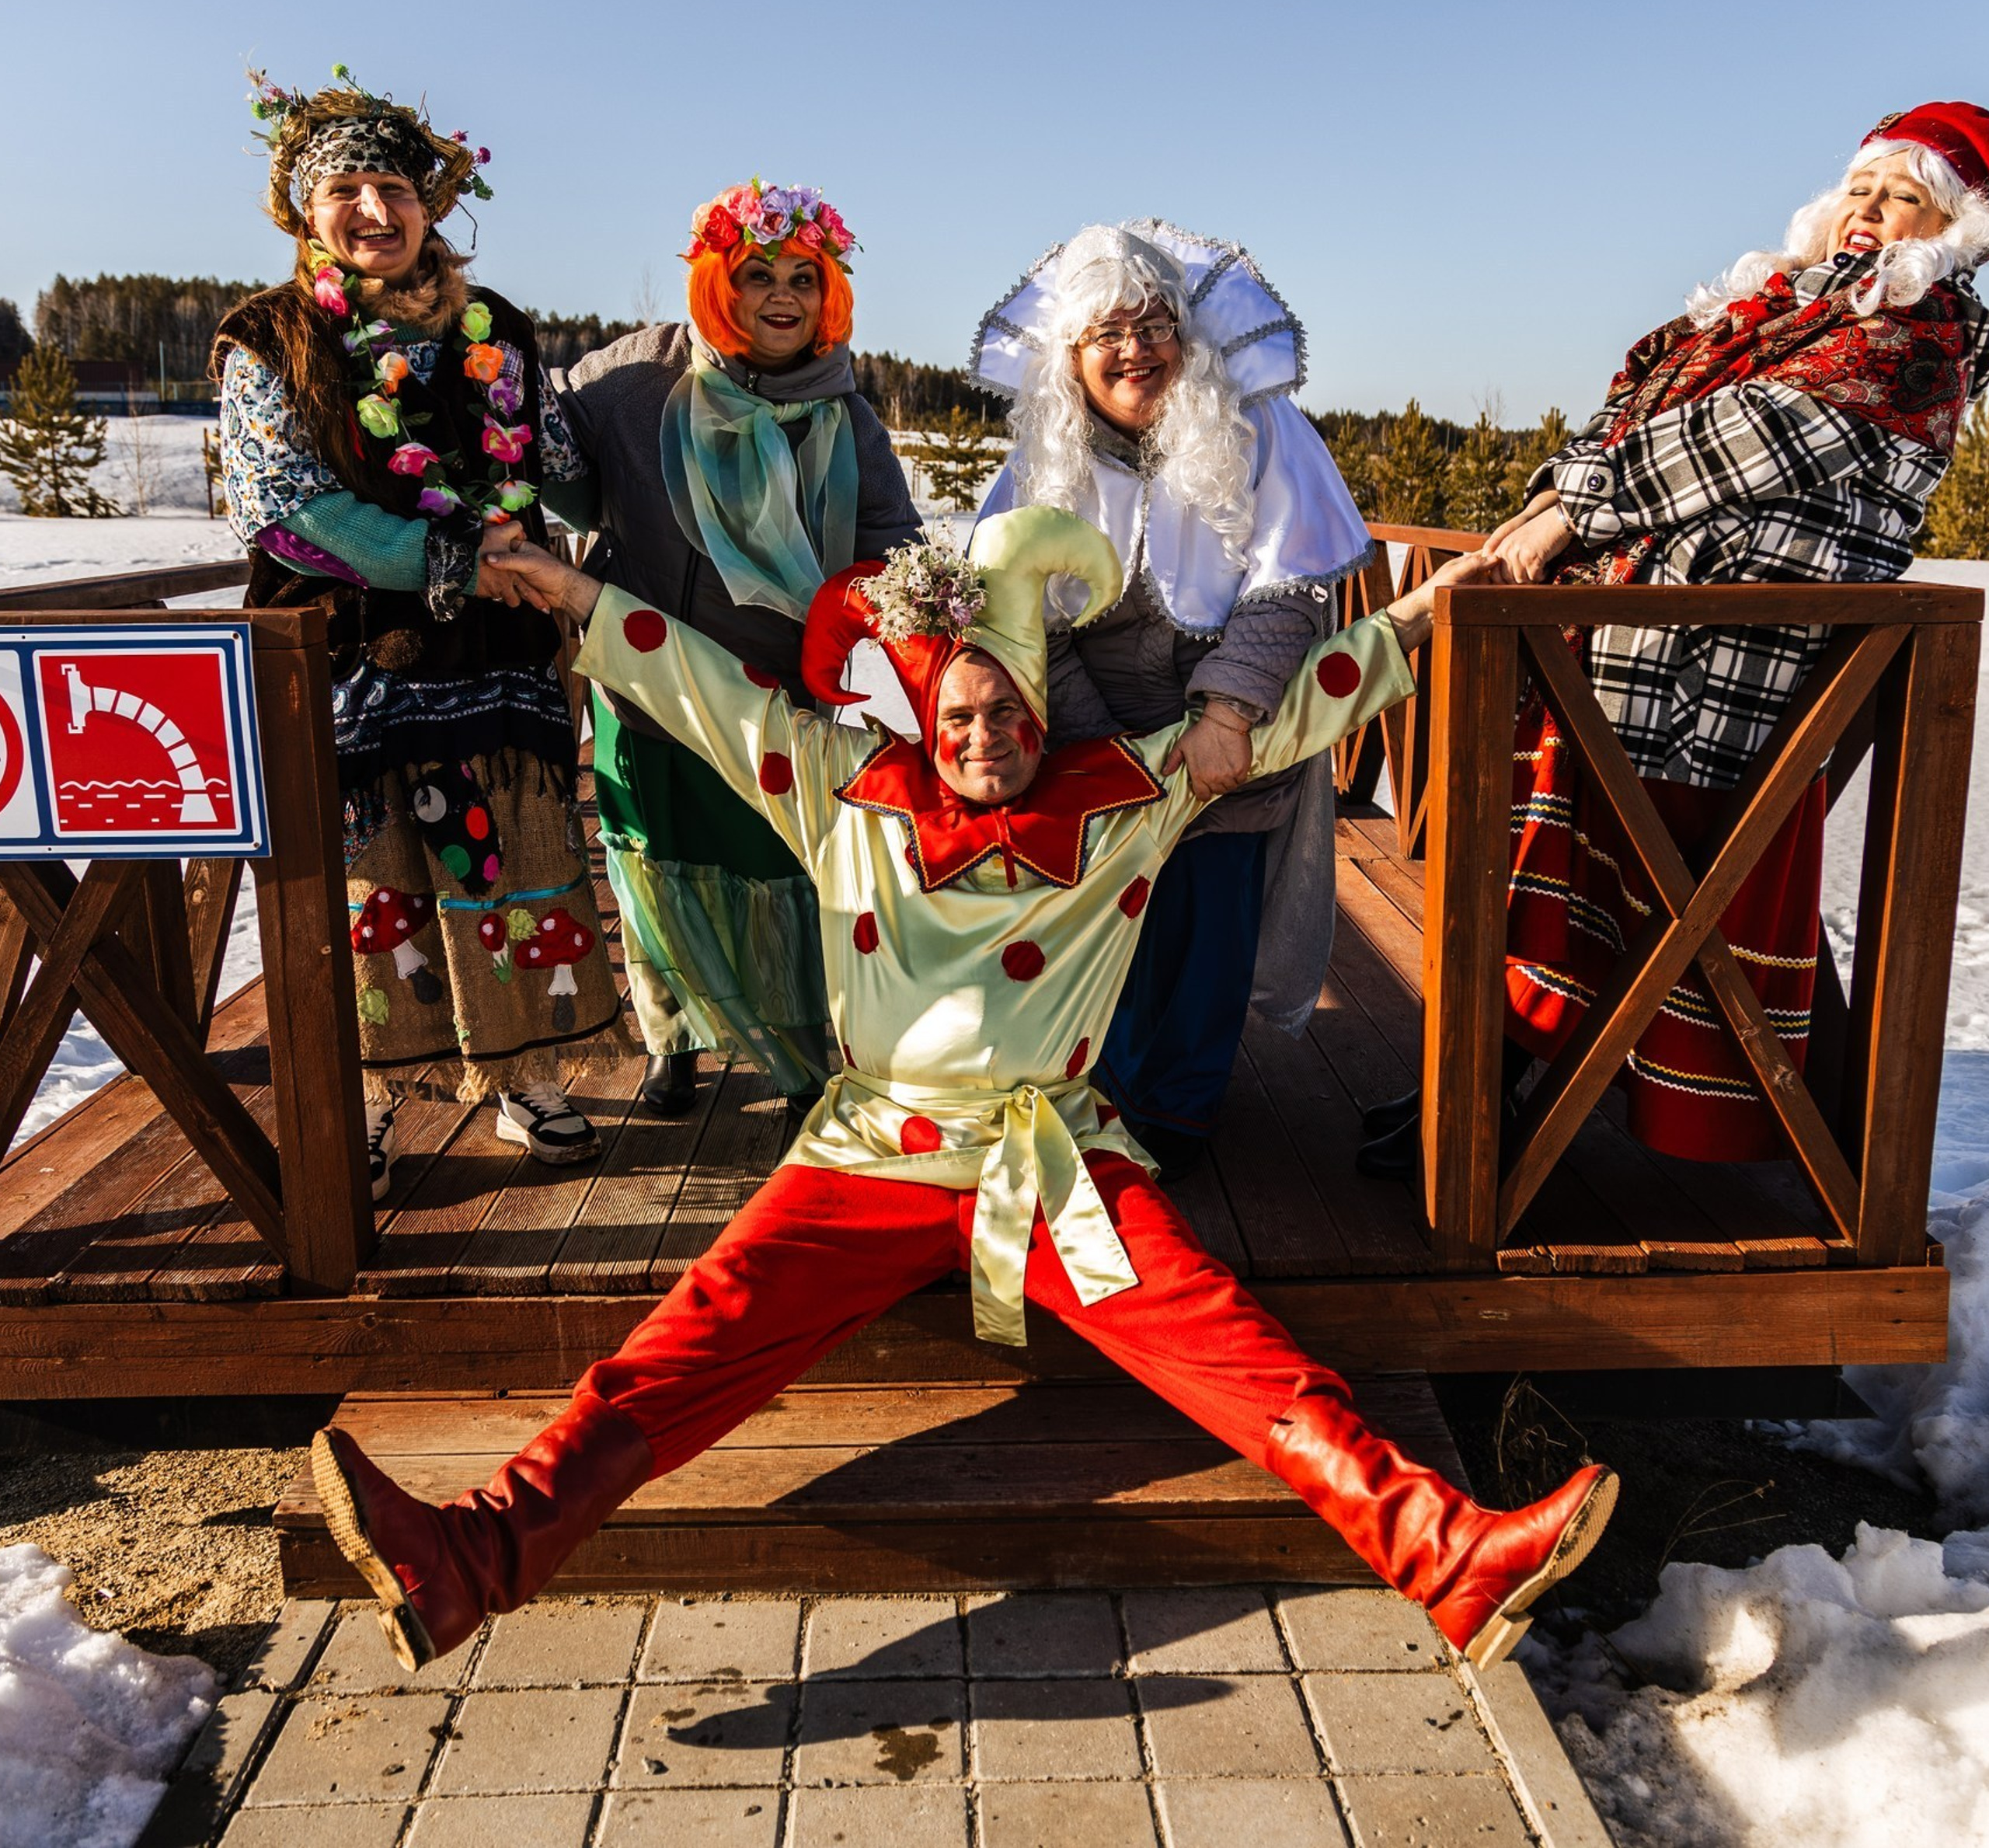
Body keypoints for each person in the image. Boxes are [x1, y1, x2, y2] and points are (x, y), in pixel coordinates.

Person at [310, 507, 1617, 1679]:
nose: (985, 738)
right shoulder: (844, 790)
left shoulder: (1127, 798)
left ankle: (1450, 1553)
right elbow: (699, 683)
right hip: (870, 1157)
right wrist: (575, 596)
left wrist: (1452, 593)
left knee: (1238, 1352)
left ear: (1044, 717)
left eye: (1008, 716)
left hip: (1052, 1168)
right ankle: (468, 1561)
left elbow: (1320, 696)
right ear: (923, 721)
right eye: (961, 718)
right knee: (679, 1350)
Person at [1359, 102, 1989, 1178]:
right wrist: (1562, 492)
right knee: (1527, 865)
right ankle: (1475, 1087)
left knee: (1644, 890)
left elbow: (1733, 443)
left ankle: (1511, 1116)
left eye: (1905, 201)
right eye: (1864, 192)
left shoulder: (1917, 341)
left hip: (1724, 678)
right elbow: (1626, 408)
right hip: (1625, 644)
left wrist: (1566, 512)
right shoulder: (1765, 310)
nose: (1870, 216)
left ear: (1952, 230)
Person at [211, 68, 626, 1193]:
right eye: (343, 188)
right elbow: (284, 511)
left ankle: (522, 1070)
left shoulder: (500, 330)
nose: (374, 211)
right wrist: (457, 559)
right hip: (349, 666)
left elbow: (558, 465)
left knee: (516, 862)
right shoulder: (272, 341)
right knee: (373, 887)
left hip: (495, 666)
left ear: (430, 204)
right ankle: (376, 1093)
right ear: (306, 210)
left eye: (392, 185)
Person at [971, 222, 1374, 1176]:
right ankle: (1093, 1097)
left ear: (1187, 338)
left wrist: (1226, 712)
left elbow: (1291, 583)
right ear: (1072, 353)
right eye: (1107, 331)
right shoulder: (1045, 454)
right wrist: (1099, 749)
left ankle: (1184, 1117)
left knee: (1205, 925)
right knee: (1097, 929)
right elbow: (1020, 609)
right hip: (1087, 726)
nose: (1134, 349)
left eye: (1154, 324)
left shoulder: (1261, 427)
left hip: (1226, 727)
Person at [549, 183, 919, 1121]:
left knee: (776, 871)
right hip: (647, 677)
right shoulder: (630, 381)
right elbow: (553, 472)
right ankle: (670, 1040)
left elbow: (891, 539)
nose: (782, 296)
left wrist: (895, 616)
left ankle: (799, 1055)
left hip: (778, 692)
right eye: (758, 276)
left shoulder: (847, 411)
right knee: (654, 863)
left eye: (805, 277)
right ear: (720, 281)